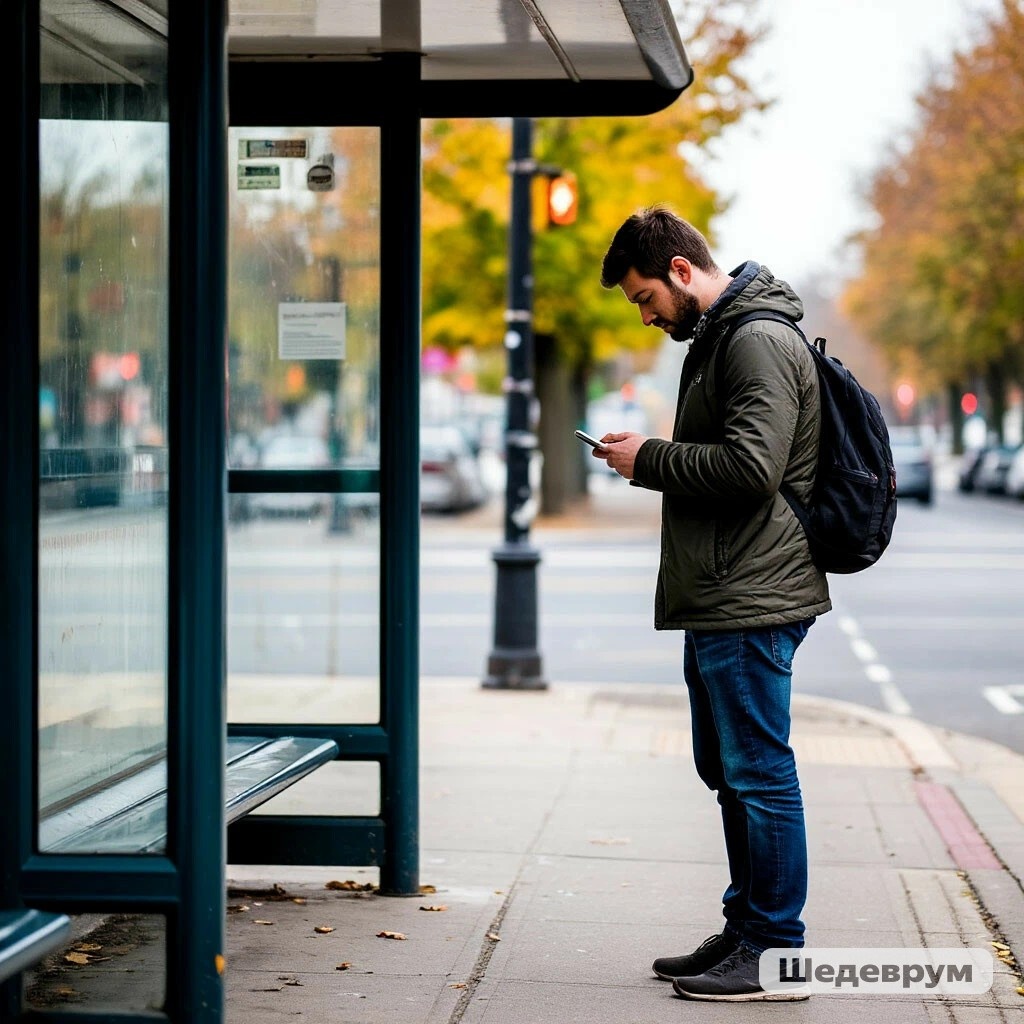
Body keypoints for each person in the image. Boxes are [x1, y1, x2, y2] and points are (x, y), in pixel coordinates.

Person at [596, 205, 831, 1002]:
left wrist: (649, 459)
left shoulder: (755, 338)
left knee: (759, 774)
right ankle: (746, 929)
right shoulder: (722, 336)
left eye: (645, 297)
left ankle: (776, 952)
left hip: (752, 593)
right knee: (730, 772)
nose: (645, 314)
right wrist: (648, 459)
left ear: (681, 270)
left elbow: (751, 469)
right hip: (726, 592)